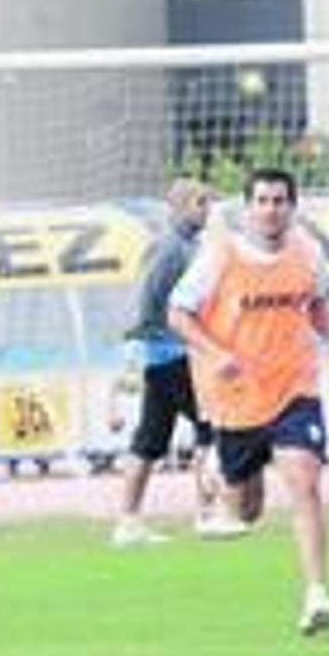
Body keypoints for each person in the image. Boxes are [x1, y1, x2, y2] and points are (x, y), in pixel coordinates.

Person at [168, 167, 329, 637]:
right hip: (238, 398)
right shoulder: (219, 256)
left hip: (296, 388)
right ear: (249, 208)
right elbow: (177, 313)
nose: (272, 209)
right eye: (263, 201)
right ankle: (219, 481)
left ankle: (316, 595)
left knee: (304, 480)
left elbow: (313, 303)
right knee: (247, 511)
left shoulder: (306, 251)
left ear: (292, 206)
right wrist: (216, 354)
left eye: (280, 201)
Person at [111, 178, 220, 546]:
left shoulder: (191, 245)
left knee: (150, 439)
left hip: (168, 354)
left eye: (209, 202)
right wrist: (138, 344)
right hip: (172, 353)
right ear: (178, 206)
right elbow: (147, 296)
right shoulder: (170, 247)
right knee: (211, 426)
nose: (208, 209)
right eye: (201, 202)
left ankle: (127, 522)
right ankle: (207, 515)